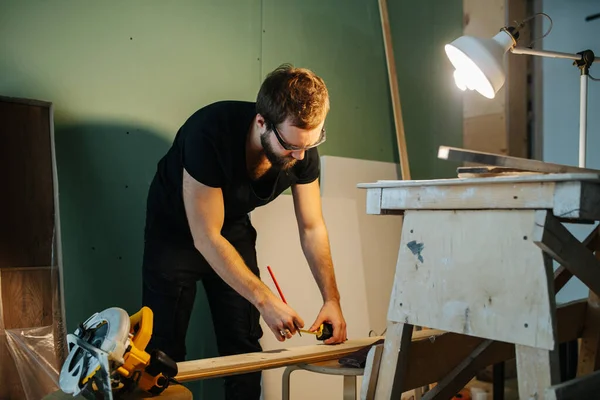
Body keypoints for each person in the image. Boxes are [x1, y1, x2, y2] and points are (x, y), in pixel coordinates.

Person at [141, 64, 347, 399]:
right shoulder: (208, 133)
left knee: (244, 348)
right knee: (164, 350)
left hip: (231, 224)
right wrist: (266, 300)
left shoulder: (301, 148)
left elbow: (311, 227)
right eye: (290, 145)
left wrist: (332, 299)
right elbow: (205, 237)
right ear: (261, 122)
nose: (301, 156)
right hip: (175, 231)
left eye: (310, 143)